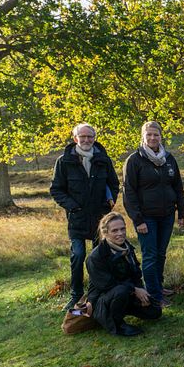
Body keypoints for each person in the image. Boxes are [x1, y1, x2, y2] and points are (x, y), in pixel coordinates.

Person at [50, 123, 120, 311]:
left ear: (94, 138)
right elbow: (56, 189)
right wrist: (73, 207)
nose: (87, 140)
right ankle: (76, 295)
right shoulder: (64, 161)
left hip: (100, 218)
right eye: (83, 137)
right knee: (78, 255)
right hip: (77, 219)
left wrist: (108, 203)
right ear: (75, 139)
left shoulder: (103, 159)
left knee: (98, 257)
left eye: (90, 136)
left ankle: (97, 291)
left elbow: (114, 184)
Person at [123, 121, 184, 307]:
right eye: (148, 134)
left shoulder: (169, 158)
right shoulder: (134, 160)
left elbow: (178, 187)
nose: (152, 138)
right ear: (143, 137)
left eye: (156, 134)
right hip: (146, 218)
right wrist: (138, 219)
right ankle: (154, 296)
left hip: (167, 215)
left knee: (161, 254)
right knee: (150, 255)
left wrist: (181, 212)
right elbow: (129, 193)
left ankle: (158, 285)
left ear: (161, 136)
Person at [86, 212, 162, 336]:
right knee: (121, 291)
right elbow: (107, 285)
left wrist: (141, 292)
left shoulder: (127, 249)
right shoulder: (96, 257)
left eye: (122, 229)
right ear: (105, 233)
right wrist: (134, 290)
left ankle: (124, 310)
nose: (120, 233)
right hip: (103, 299)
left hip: (127, 292)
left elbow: (136, 275)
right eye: (114, 230)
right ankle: (117, 325)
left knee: (155, 312)